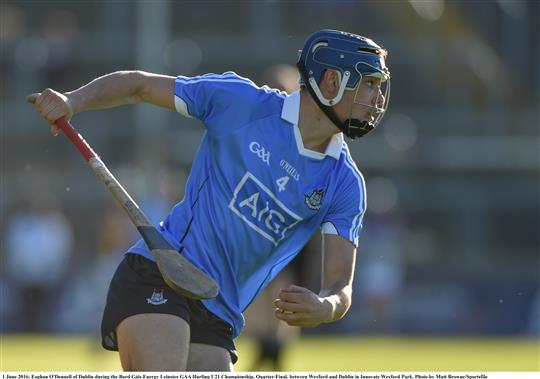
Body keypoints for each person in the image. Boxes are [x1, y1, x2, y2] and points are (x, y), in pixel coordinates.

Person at [27, 29, 391, 371]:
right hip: (162, 272)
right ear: (331, 81)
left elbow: (341, 286)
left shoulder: (345, 184)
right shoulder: (241, 102)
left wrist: (324, 307)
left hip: (220, 312)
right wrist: (72, 101)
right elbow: (138, 86)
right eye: (369, 85)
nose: (377, 100)